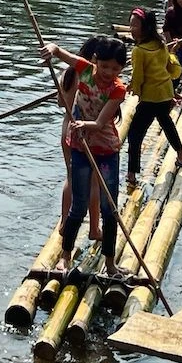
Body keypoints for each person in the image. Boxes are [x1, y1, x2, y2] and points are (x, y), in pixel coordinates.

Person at [40, 37, 130, 274]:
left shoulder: (118, 89)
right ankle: (65, 257)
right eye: (105, 66)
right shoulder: (84, 69)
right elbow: (60, 52)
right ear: (95, 61)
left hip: (106, 150)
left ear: (121, 69)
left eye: (115, 68)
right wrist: (51, 49)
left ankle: (110, 264)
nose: (108, 72)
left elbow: (101, 123)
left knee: (109, 209)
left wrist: (82, 124)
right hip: (80, 146)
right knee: (77, 207)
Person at [52, 36, 111, 241]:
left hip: (67, 127)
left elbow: (61, 102)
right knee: (94, 182)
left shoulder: (67, 74)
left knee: (70, 176)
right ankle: (94, 228)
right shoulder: (89, 77)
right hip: (86, 131)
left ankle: (63, 222)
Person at [126, 7, 182, 185]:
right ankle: (181, 155)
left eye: (135, 25)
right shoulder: (160, 45)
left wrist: (133, 89)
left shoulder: (139, 51)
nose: (131, 28)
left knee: (135, 134)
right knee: (166, 122)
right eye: (130, 25)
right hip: (165, 94)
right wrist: (173, 53)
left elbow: (138, 75)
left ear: (145, 28)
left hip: (150, 98)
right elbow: (171, 69)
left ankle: (131, 174)